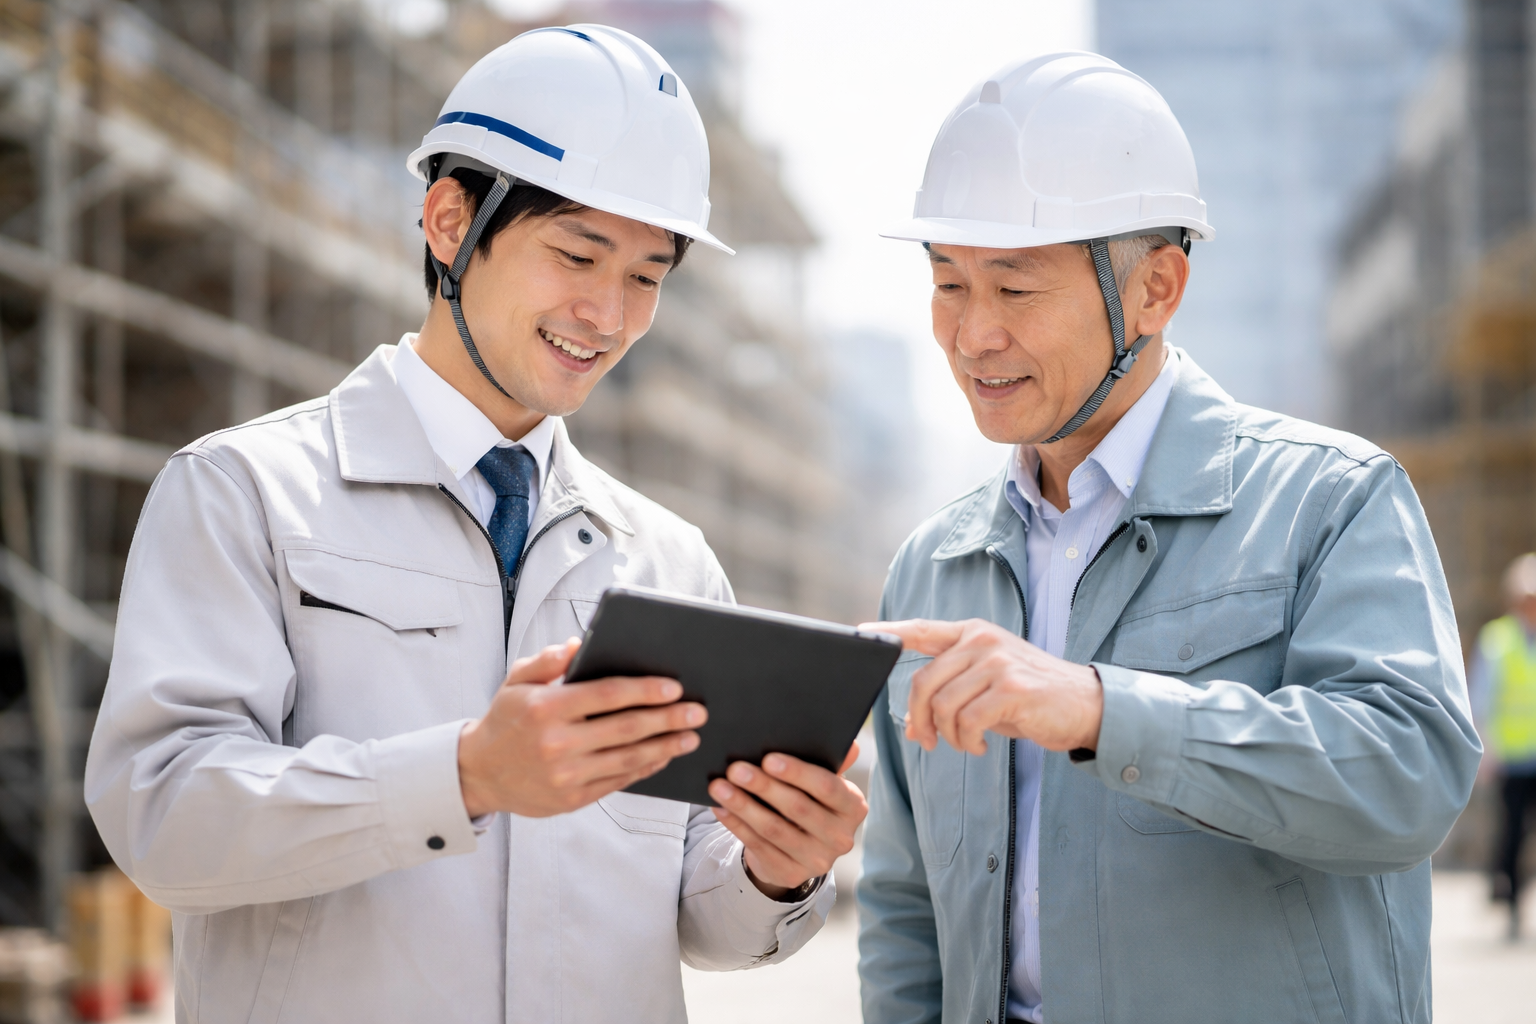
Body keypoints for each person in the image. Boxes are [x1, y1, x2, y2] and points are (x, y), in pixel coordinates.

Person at [84, 26, 865, 1023]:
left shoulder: (667, 559)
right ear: (451, 222)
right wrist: (461, 775)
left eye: (647, 274)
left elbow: (696, 913)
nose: (609, 312)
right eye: (577, 252)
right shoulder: (247, 493)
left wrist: (774, 869)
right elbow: (163, 819)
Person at [855, 52, 1480, 1024]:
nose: (972, 335)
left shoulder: (1329, 501)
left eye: (1015, 290)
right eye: (947, 284)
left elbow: (1410, 777)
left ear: (1156, 289)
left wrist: (1105, 713)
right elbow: (903, 901)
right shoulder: (932, 568)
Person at [1470, 553, 1536, 939]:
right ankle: (1509, 899)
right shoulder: (1498, 640)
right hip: (1512, 757)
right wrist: (1487, 749)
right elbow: (1481, 698)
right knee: (1512, 832)